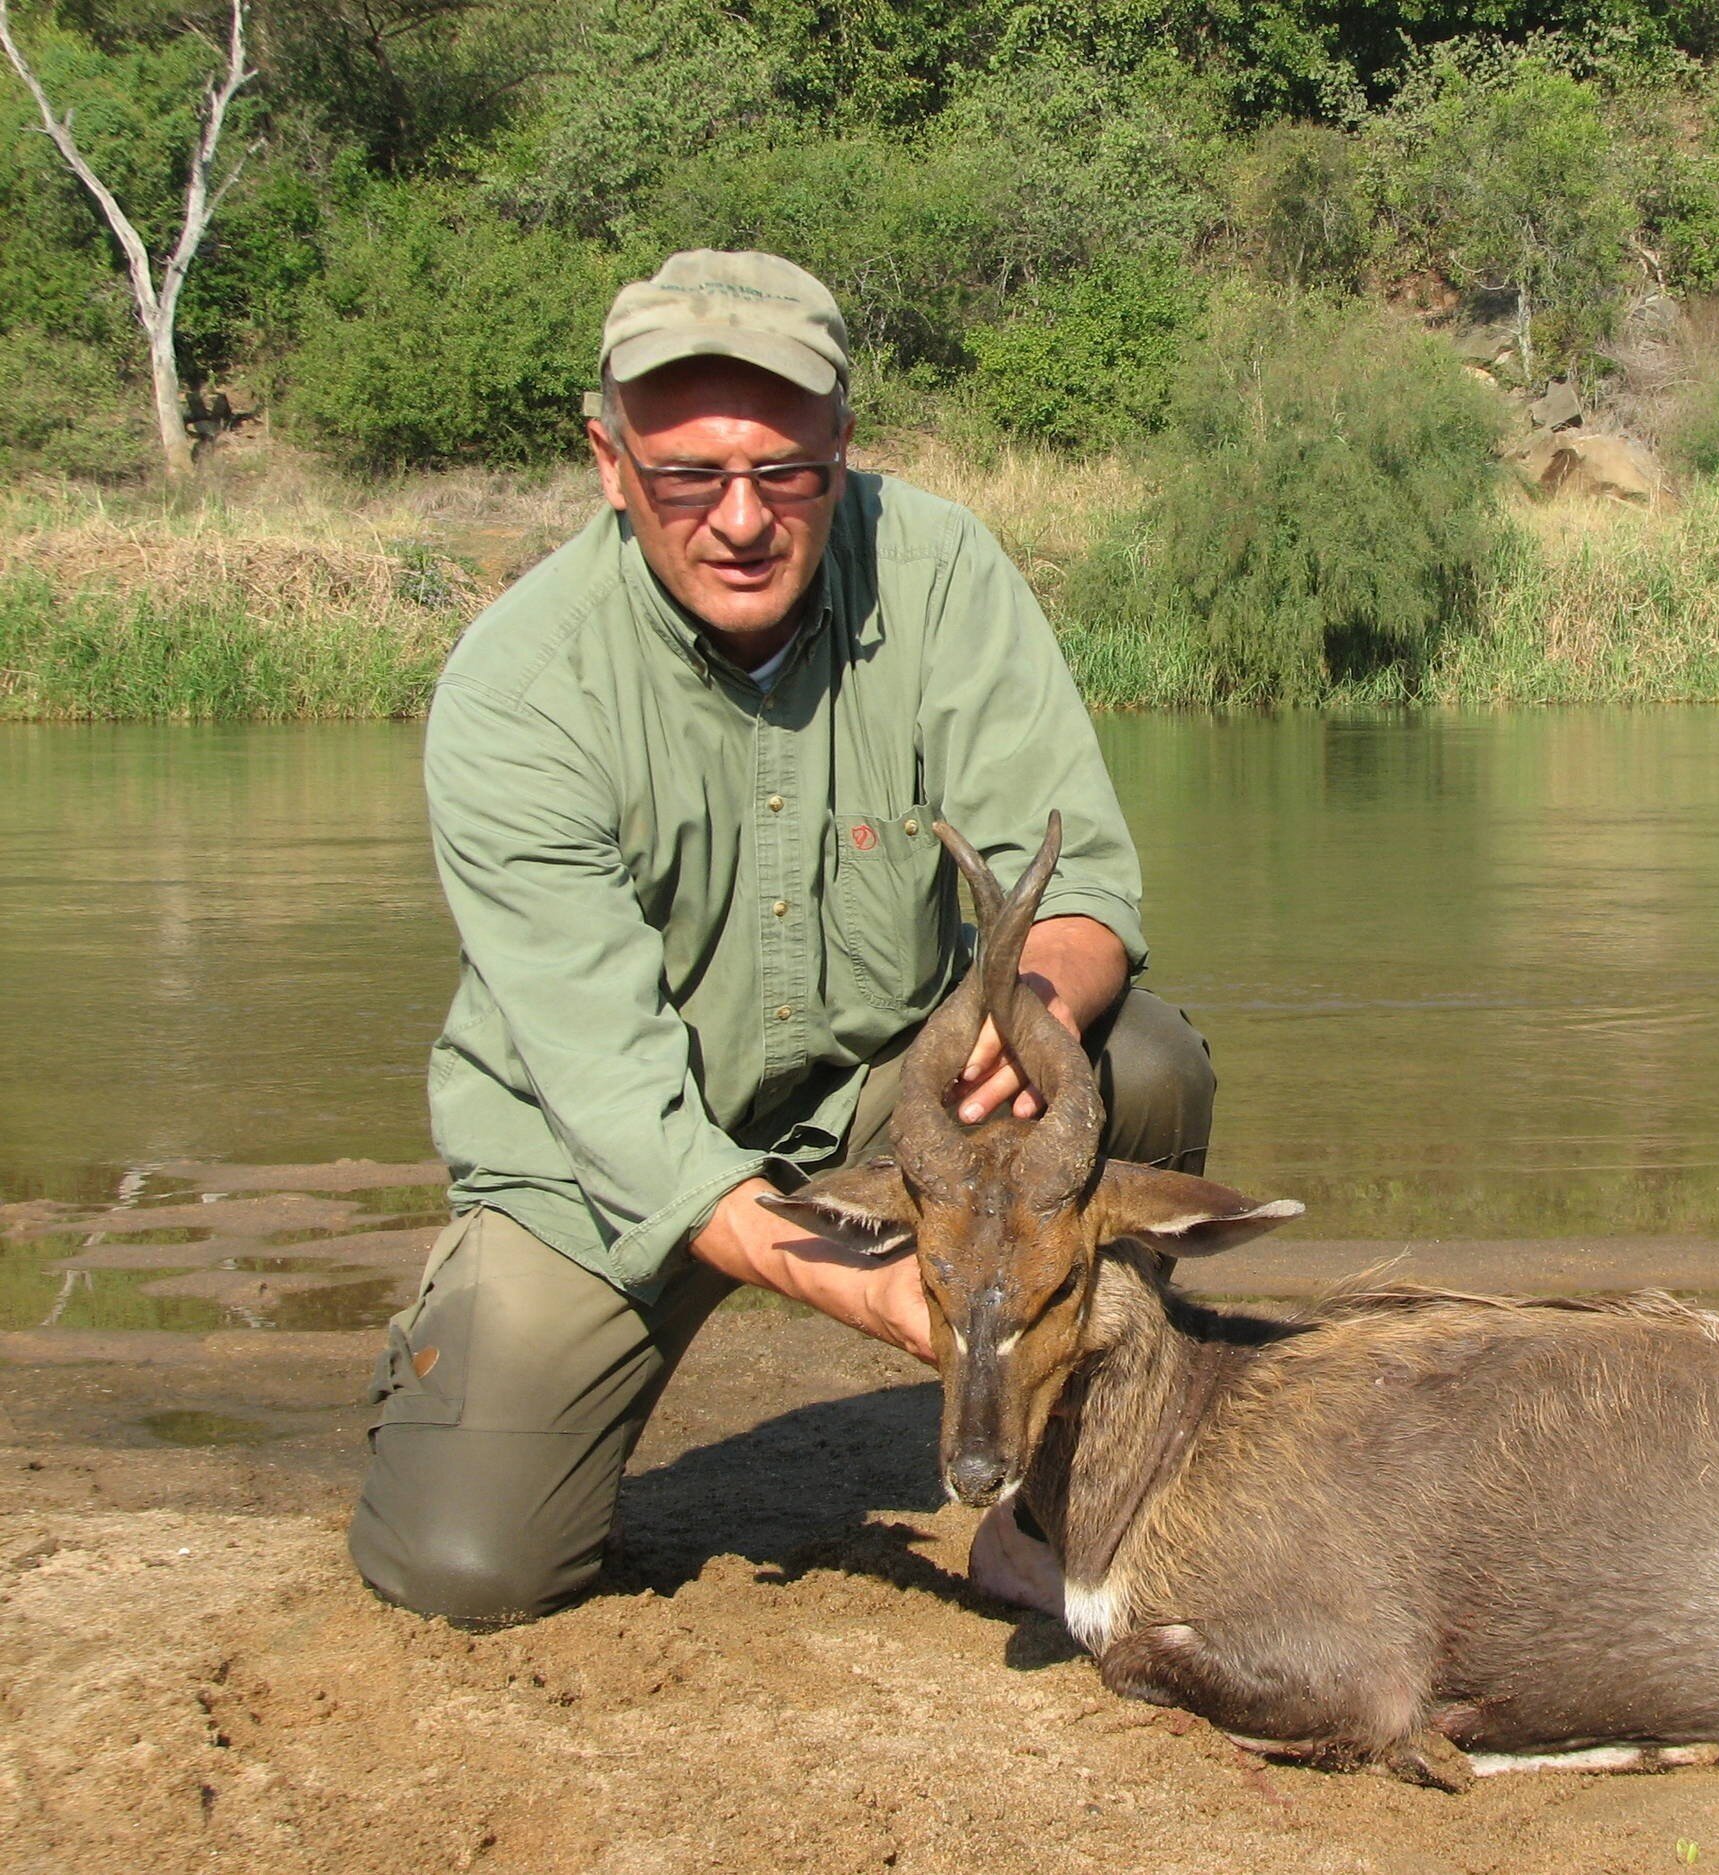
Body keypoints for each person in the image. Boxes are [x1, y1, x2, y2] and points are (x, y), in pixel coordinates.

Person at [347, 250, 1214, 1629]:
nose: (740, 520)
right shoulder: (517, 689)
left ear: (842, 450)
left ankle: (1061, 1504)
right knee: (466, 1573)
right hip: (594, 1165)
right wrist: (872, 1297)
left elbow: (1089, 883)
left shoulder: (940, 572)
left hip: (890, 1108)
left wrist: (1030, 1011)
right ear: (609, 460)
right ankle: (464, 1366)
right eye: (689, 475)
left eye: (784, 474)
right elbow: (618, 1105)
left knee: (1140, 1066)